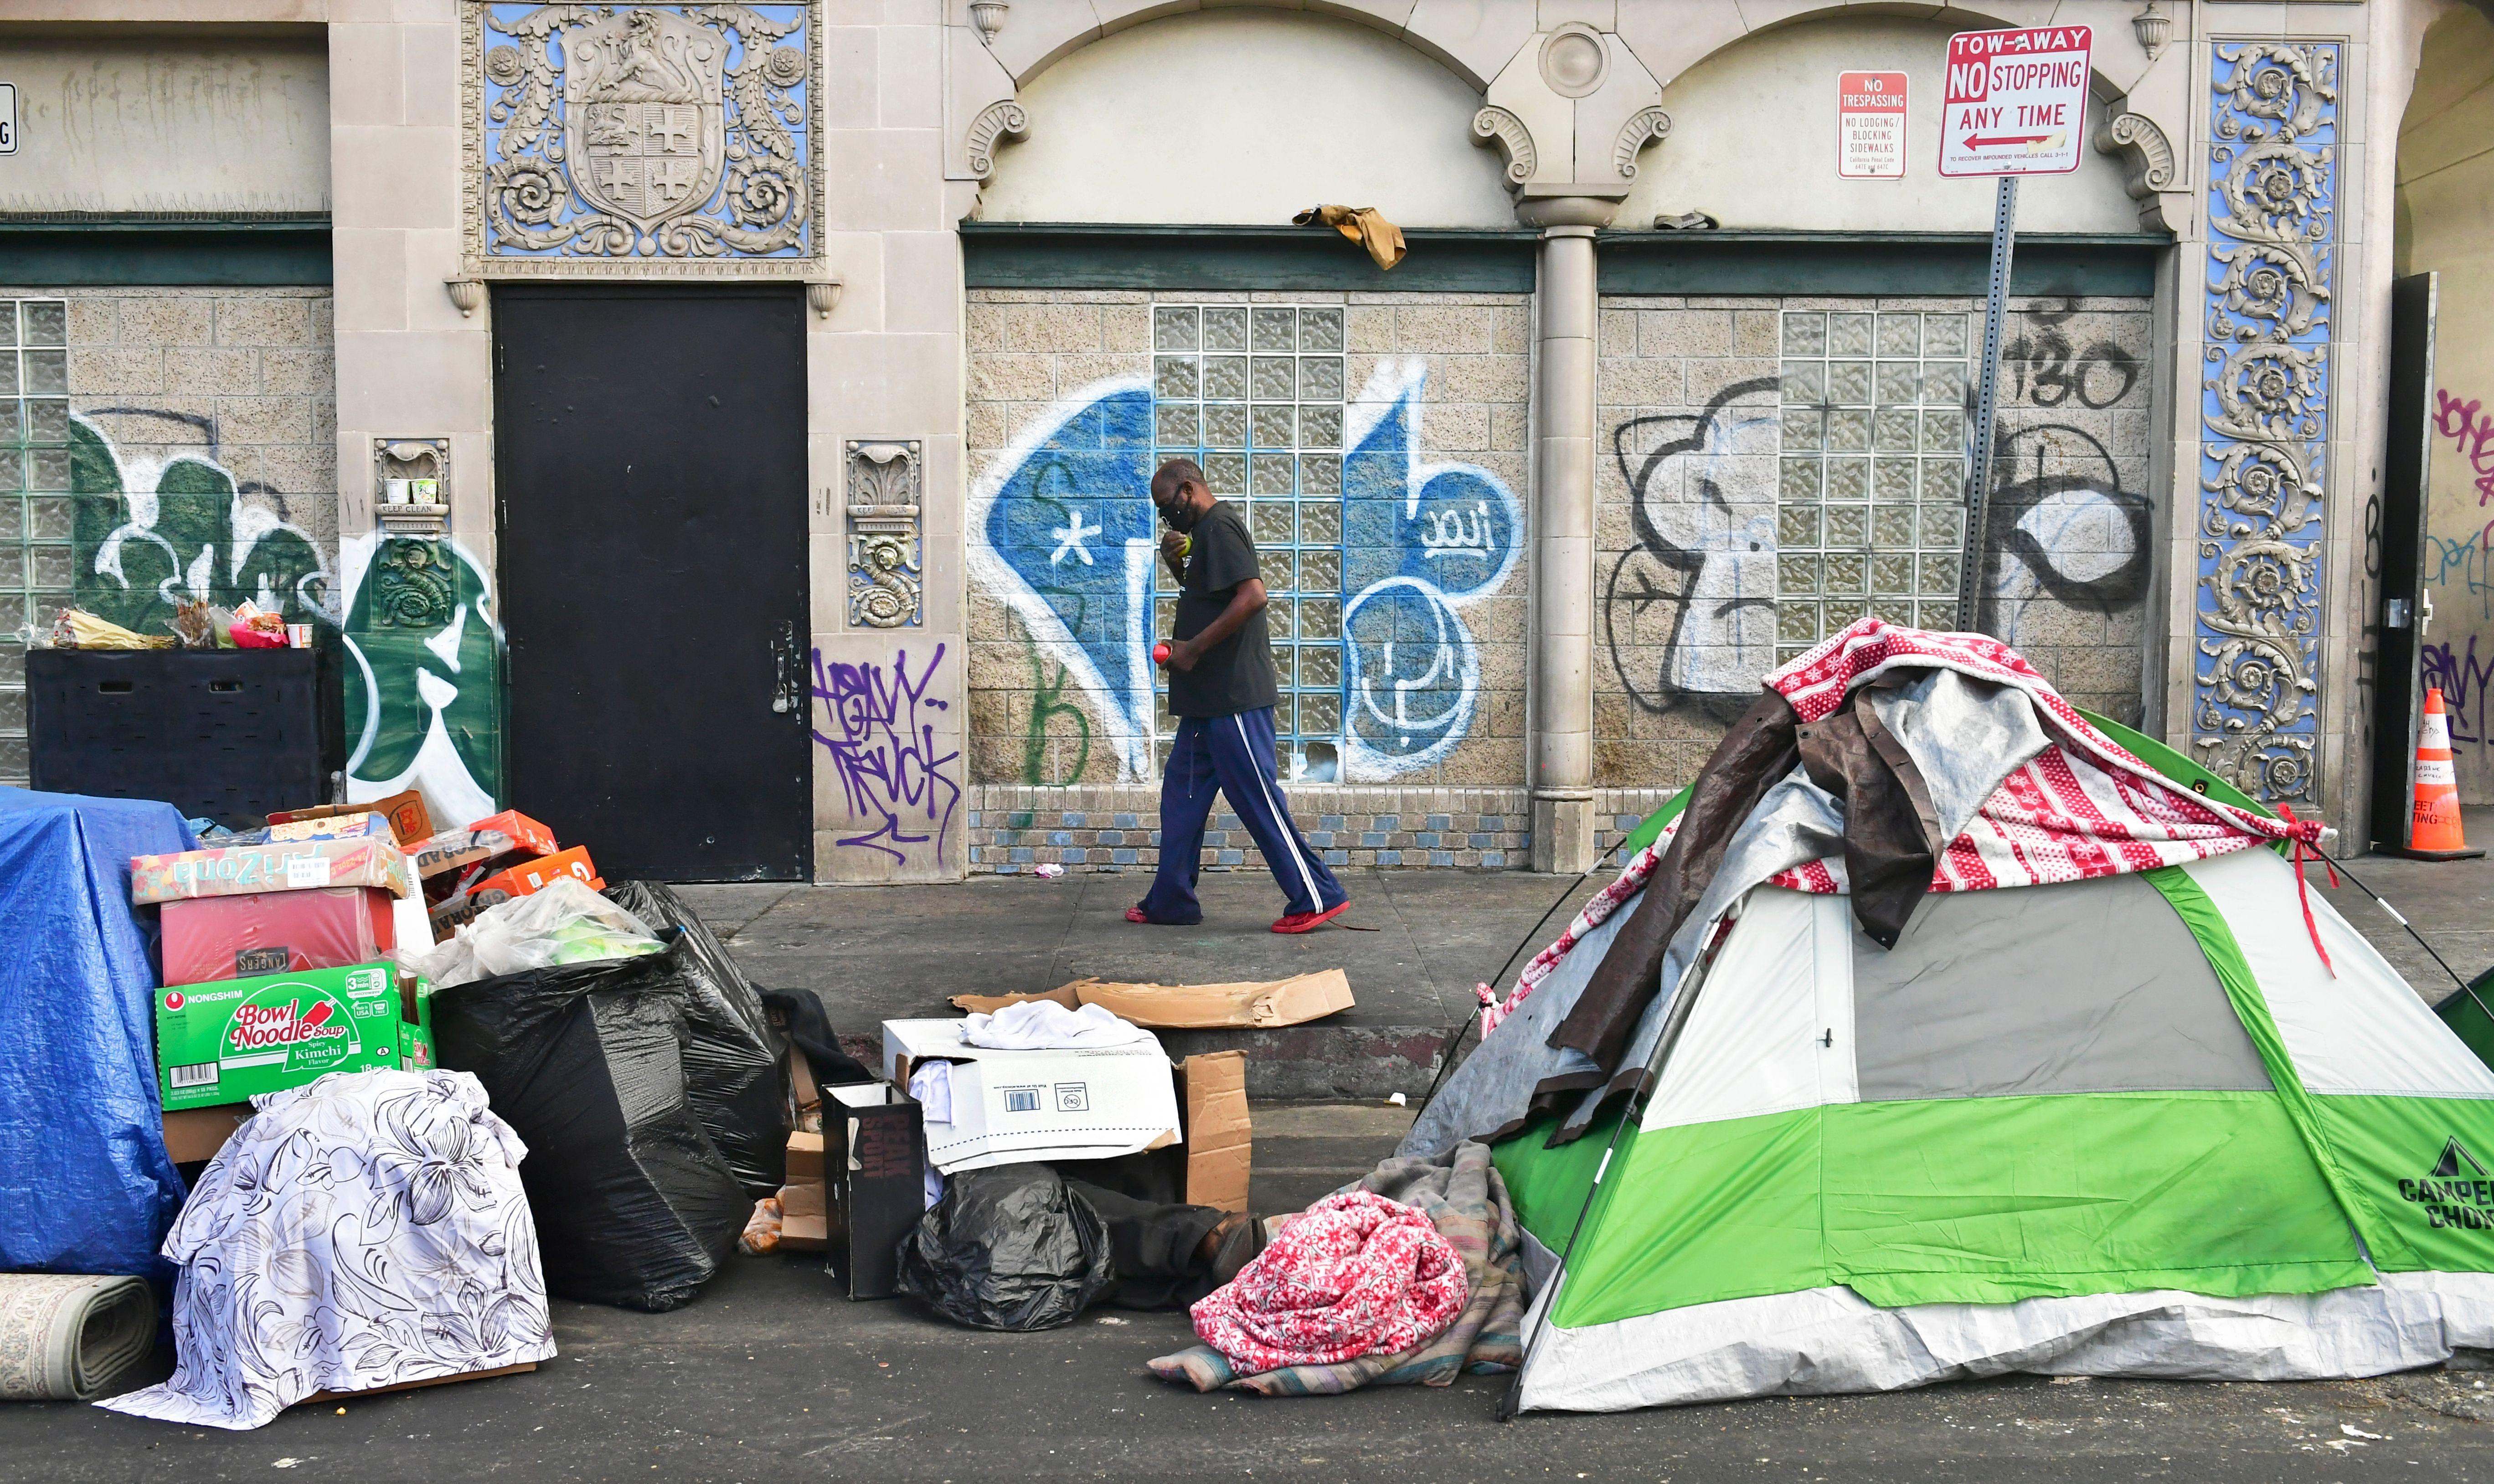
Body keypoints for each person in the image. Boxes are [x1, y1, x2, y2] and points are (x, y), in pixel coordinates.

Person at [1128, 458, 1350, 933]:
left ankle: (1317, 894)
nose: (1167, 519)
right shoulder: (1204, 534)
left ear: (1189, 490)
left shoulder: (1221, 525)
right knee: (1181, 798)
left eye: (1168, 507)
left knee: (1257, 799)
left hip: (1233, 699)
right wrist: (1176, 567)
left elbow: (1252, 597)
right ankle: (1172, 901)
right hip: (1205, 703)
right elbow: (1212, 597)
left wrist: (1191, 650)